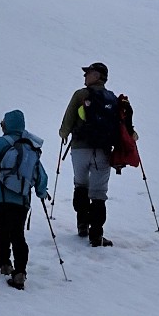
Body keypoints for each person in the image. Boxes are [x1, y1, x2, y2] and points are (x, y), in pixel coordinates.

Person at [59, 62, 136, 246]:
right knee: (99, 193)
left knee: (80, 184)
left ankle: (82, 224)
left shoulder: (80, 94)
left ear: (97, 76)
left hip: (79, 149)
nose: (85, 76)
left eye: (88, 73)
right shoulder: (113, 99)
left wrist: (64, 133)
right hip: (102, 151)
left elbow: (68, 120)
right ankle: (96, 235)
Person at [0, 109, 49, 289]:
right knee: (18, 233)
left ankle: (5, 264)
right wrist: (41, 192)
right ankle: (20, 272)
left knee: (2, 229)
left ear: (6, 124)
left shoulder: (1, 143)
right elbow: (40, 174)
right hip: (21, 199)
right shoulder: (31, 146)